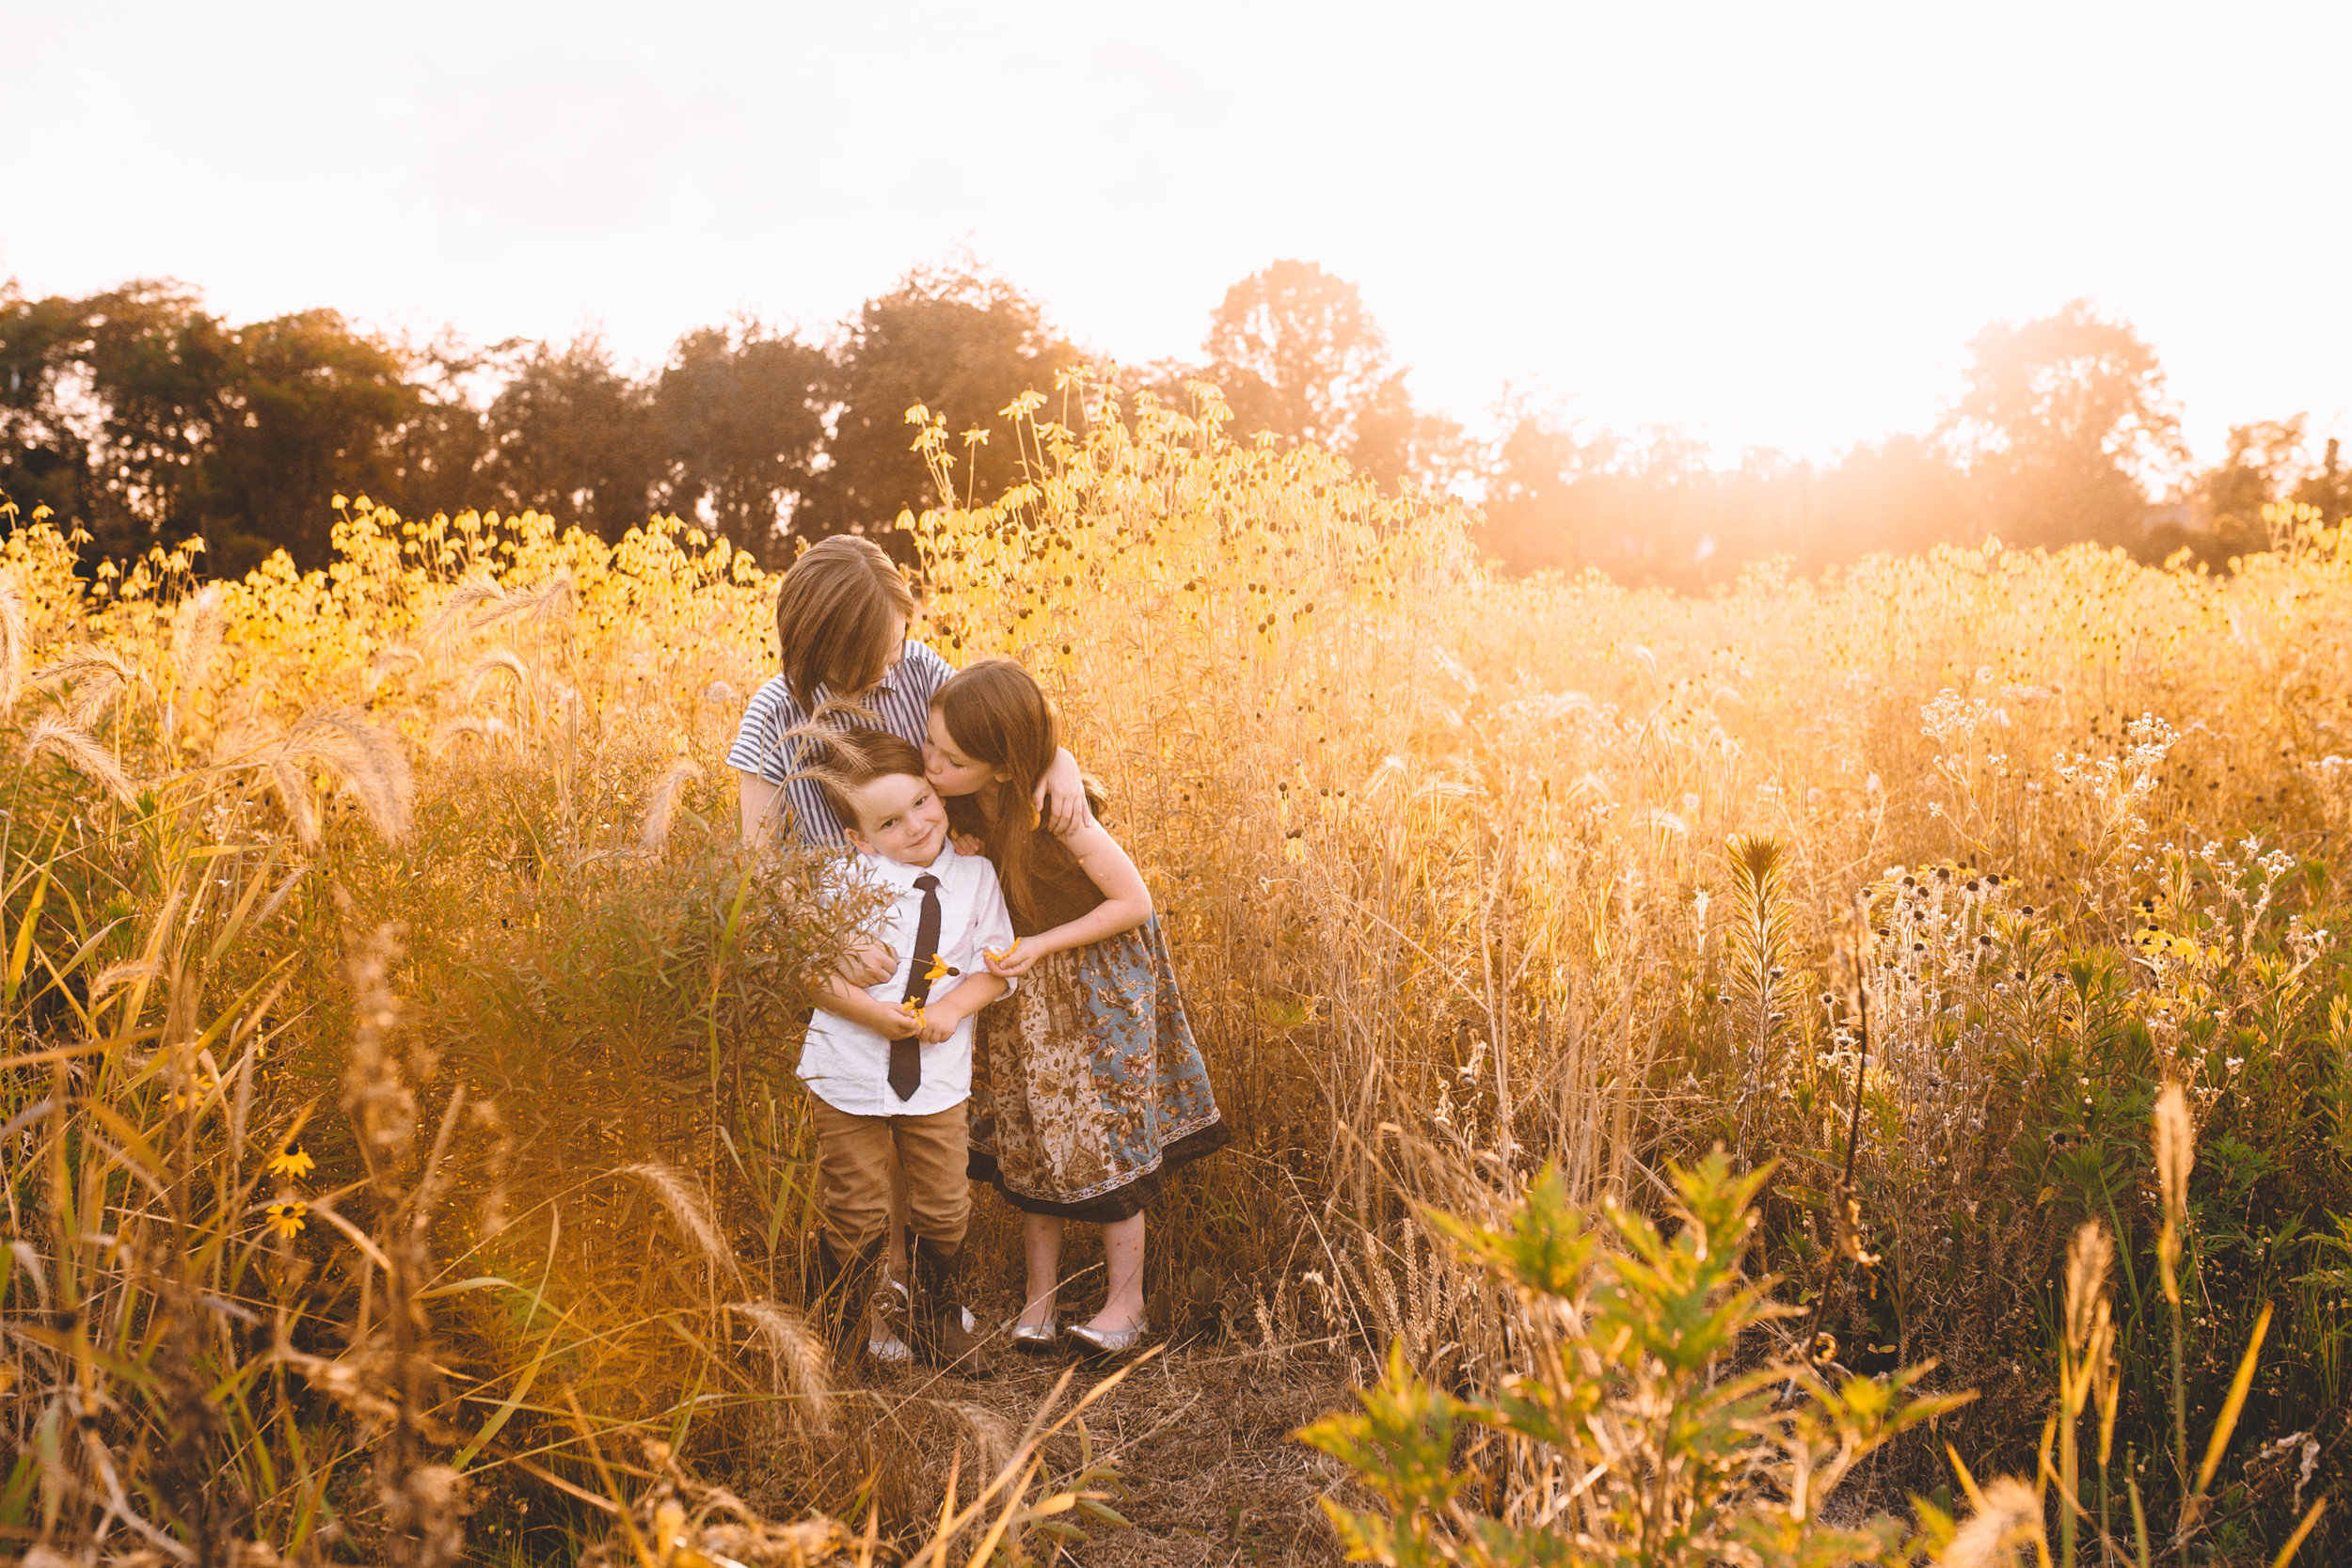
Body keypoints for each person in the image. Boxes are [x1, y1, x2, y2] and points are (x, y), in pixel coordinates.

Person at [925, 659, 1227, 1356]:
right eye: (931, 746)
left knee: (1112, 1141)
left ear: (1002, 766)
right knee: (1032, 1141)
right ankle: (1040, 1301)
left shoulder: (1059, 811)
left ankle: (1128, 1303)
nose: (932, 763)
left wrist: (1042, 942)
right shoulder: (963, 804)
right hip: (1025, 997)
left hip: (1098, 994)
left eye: (951, 756)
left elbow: (1134, 903)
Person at [797, 729, 1015, 1371]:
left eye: (922, 802)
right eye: (889, 822)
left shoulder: (975, 875)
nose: (916, 825)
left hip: (938, 1076)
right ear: (860, 838)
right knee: (857, 1207)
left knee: (945, 1203)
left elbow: (998, 965)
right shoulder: (844, 878)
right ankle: (838, 1335)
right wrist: (873, 1013)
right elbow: (810, 970)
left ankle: (936, 1318)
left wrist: (949, 1008)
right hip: (849, 1068)